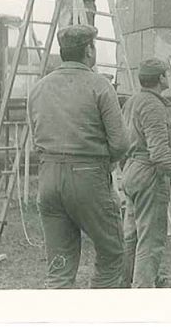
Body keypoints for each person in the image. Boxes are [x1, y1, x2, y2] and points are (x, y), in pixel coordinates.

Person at [27, 24, 129, 288]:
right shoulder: (100, 85)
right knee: (112, 254)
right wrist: (104, 164)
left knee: (59, 269)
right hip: (89, 178)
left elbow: (35, 138)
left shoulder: (38, 88)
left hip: (48, 179)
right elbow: (120, 143)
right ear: (88, 50)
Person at [122, 58, 171, 288]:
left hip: (131, 172)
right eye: (166, 74)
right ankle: (142, 298)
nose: (168, 77)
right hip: (149, 176)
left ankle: (123, 290)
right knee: (150, 242)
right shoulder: (153, 106)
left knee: (132, 238)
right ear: (160, 79)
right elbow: (159, 153)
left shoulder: (132, 102)